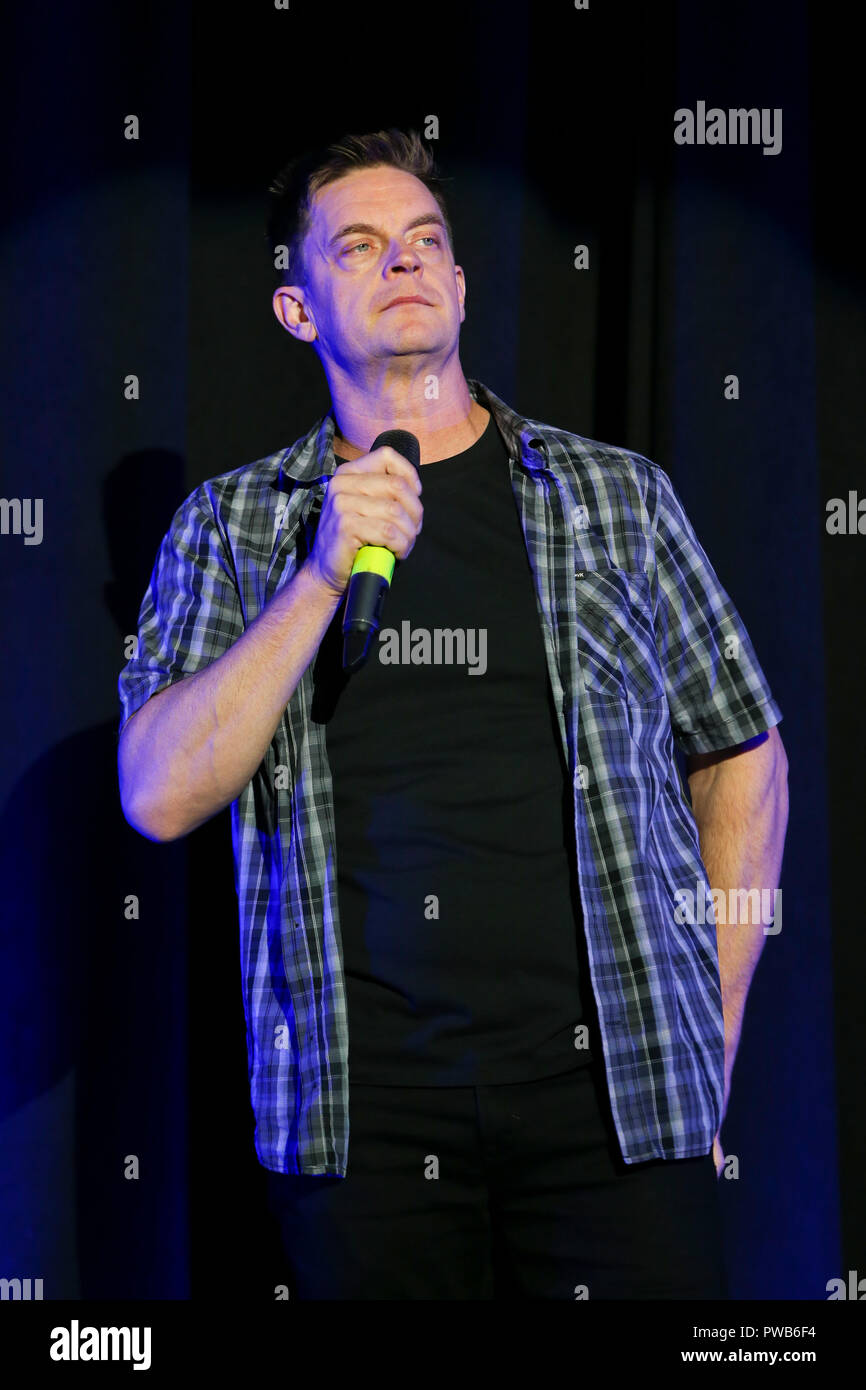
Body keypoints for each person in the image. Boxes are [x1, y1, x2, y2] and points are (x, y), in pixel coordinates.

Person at [117, 128, 788, 1300]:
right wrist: (321, 574)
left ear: (463, 285)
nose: (404, 262)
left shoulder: (613, 496)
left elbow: (742, 747)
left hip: (618, 1105)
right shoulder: (233, 529)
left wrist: (712, 1024)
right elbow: (157, 792)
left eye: (424, 241)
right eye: (361, 246)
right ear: (295, 310)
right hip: (361, 1126)